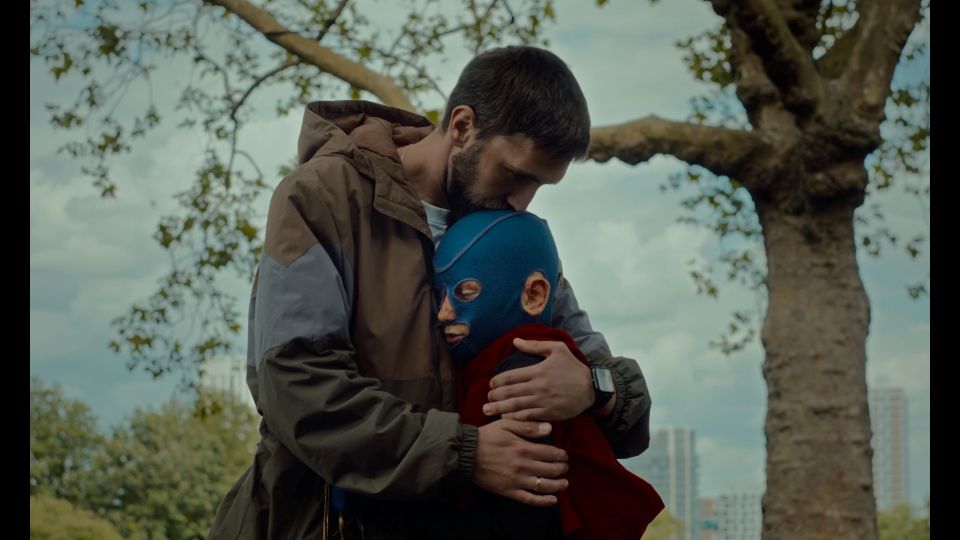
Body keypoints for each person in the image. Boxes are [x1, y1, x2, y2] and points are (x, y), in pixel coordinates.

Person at [209, 45, 653, 540]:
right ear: (462, 126)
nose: (522, 202)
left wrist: (595, 388)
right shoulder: (322, 196)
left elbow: (613, 390)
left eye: (540, 186)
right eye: (515, 175)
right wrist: (465, 455)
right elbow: (294, 383)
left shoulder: (509, 232)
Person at [429, 210, 663, 540]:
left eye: (465, 292)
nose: (444, 313)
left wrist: (594, 386)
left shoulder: (525, 370)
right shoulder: (483, 363)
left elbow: (521, 512)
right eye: (438, 296)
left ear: (535, 295)